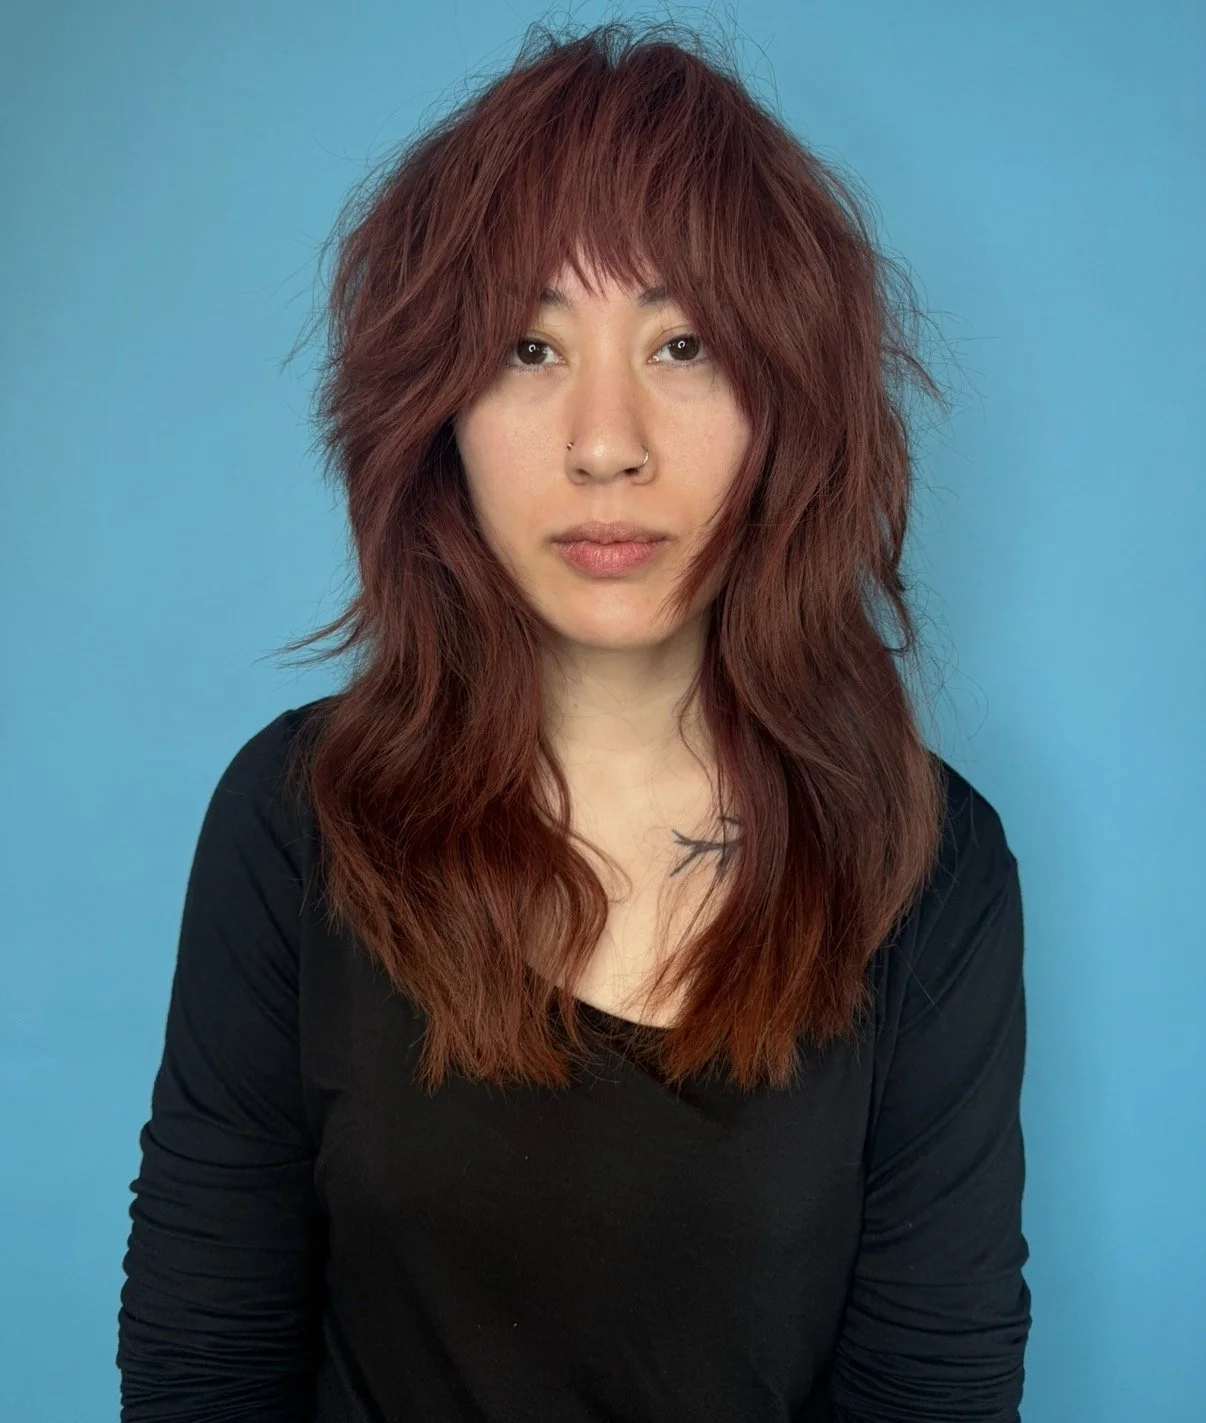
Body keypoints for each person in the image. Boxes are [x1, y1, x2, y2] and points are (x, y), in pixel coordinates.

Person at [116, 17, 1031, 1421]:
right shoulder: (299, 819)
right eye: (528, 349)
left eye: (683, 343)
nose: (607, 440)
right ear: (435, 414)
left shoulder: (928, 860)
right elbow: (202, 1364)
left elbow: (930, 1386)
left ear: (787, 400)